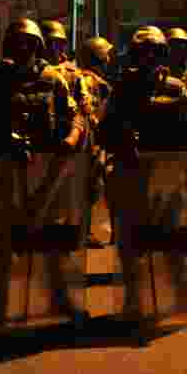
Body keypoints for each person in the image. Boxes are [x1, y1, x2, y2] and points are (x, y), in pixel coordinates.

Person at [99, 26, 187, 322]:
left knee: (173, 238)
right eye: (143, 51)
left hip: (168, 171)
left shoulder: (175, 87)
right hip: (133, 171)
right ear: (136, 55)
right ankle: (134, 300)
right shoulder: (122, 88)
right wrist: (122, 139)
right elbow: (104, 130)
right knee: (134, 241)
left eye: (155, 51)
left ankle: (183, 296)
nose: (149, 56)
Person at [0, 18, 87, 324]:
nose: (23, 47)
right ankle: (1, 300)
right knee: (6, 239)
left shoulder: (53, 78)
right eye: (17, 43)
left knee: (52, 238)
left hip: (46, 166)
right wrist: (4, 141)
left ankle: (61, 298)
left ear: (37, 45)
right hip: (9, 166)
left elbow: (74, 115)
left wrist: (70, 138)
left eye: (29, 42)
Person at [41, 20, 97, 247]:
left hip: (70, 139)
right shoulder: (35, 71)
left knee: (72, 193)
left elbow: (84, 107)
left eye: (58, 43)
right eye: (50, 43)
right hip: (43, 140)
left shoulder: (74, 74)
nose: (55, 48)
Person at [76, 36, 116, 246]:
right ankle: (84, 231)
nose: (109, 58)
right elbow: (95, 114)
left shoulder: (85, 78)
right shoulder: (93, 82)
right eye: (106, 54)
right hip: (93, 142)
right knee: (91, 188)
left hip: (89, 142)